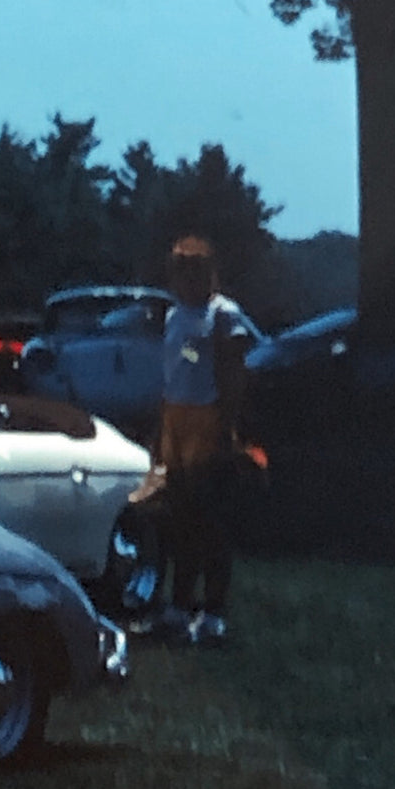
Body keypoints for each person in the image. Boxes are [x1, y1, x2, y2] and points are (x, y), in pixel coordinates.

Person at [145, 235, 256, 645]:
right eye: (179, 271)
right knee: (179, 520)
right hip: (176, 418)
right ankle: (178, 607)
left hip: (207, 419)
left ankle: (213, 613)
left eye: (193, 271)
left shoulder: (223, 315)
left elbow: (233, 373)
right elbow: (171, 372)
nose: (185, 279)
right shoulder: (174, 316)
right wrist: (160, 431)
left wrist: (229, 427)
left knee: (211, 521)